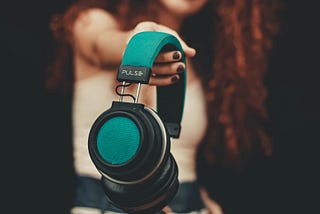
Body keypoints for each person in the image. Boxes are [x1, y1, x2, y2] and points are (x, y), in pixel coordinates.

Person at [45, 0, 282, 213]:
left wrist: (200, 202)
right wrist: (140, 43)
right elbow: (100, 45)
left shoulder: (199, 57)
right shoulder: (92, 22)